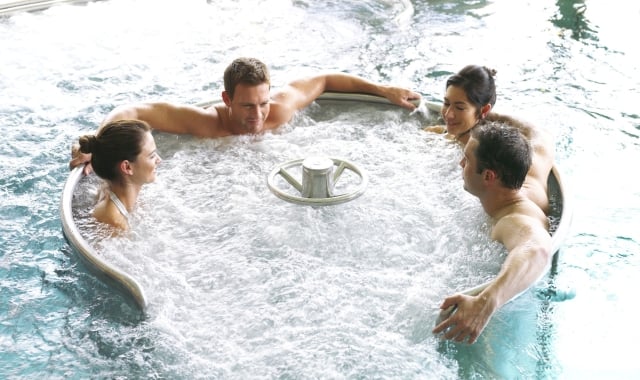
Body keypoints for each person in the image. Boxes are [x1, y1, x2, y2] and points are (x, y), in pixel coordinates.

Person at [70, 57, 421, 172]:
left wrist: (383, 90)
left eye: (263, 102)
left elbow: (325, 79)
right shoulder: (205, 123)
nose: (258, 115)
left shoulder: (278, 112)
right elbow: (130, 110)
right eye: (247, 106)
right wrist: (99, 144)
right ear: (226, 99)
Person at [432, 123, 552, 344]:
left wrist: (485, 303)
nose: (460, 164)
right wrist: (484, 116)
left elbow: (538, 249)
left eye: (467, 160)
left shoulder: (513, 220)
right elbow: (539, 135)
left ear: (488, 176)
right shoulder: (530, 176)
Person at [425, 64, 554, 213]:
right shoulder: (436, 133)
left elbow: (541, 134)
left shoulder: (489, 156)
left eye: (460, 108)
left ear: (484, 110)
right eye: (446, 103)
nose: (448, 114)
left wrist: (490, 115)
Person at [77, 119, 161, 230]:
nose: (159, 160)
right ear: (127, 167)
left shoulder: (112, 188)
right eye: (152, 156)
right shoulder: (114, 223)